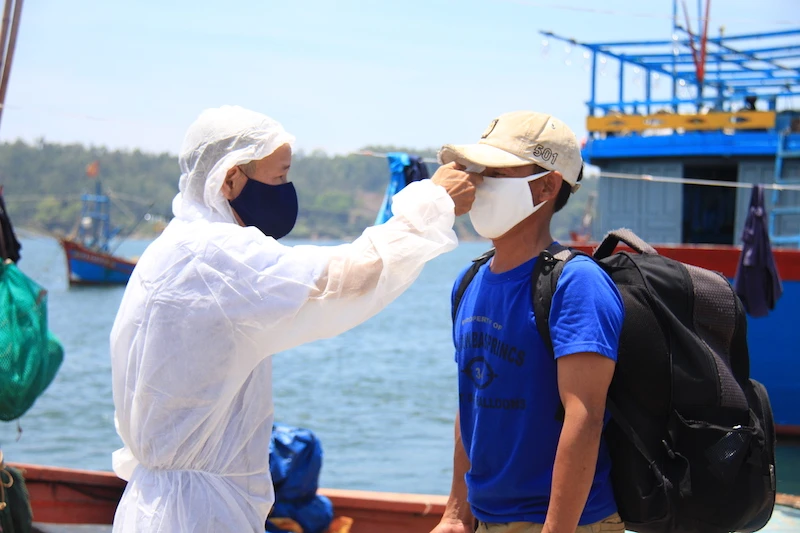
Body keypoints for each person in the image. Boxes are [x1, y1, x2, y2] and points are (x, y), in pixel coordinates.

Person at [110, 105, 481, 533]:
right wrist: (434, 204)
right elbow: (346, 278)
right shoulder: (214, 255)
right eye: (279, 177)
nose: (286, 190)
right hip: (197, 514)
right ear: (230, 180)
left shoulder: (173, 247)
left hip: (158, 505)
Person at [431, 111, 625, 533]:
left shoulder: (577, 283)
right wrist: (456, 513)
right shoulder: (468, 281)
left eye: (496, 173)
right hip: (487, 518)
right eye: (475, 171)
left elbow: (585, 417)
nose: (476, 184)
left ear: (547, 186)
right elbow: (472, 402)